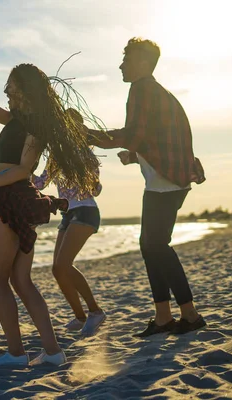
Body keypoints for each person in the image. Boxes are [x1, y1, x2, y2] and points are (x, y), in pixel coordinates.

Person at [0, 30, 100, 366]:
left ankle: (16, 353)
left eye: (10, 87)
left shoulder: (35, 126)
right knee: (21, 280)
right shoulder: (15, 120)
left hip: (12, 199)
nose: (6, 93)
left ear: (22, 89)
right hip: (19, 199)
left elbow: (24, 169)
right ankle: (52, 352)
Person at [87, 38, 207, 337]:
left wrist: (89, 136)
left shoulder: (141, 89)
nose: (121, 65)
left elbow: (133, 134)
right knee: (150, 245)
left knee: (156, 245)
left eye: (125, 58)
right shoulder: (155, 91)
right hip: (168, 179)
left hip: (165, 183)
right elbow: (151, 136)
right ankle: (164, 317)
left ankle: (190, 314)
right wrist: (135, 156)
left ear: (142, 62)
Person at [33, 111, 105, 337]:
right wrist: (23, 170)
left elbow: (95, 190)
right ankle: (81, 316)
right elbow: (41, 182)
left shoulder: (86, 156)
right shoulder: (55, 156)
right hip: (68, 214)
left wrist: (83, 173)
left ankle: (95, 311)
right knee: (57, 269)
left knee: (64, 264)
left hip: (86, 210)